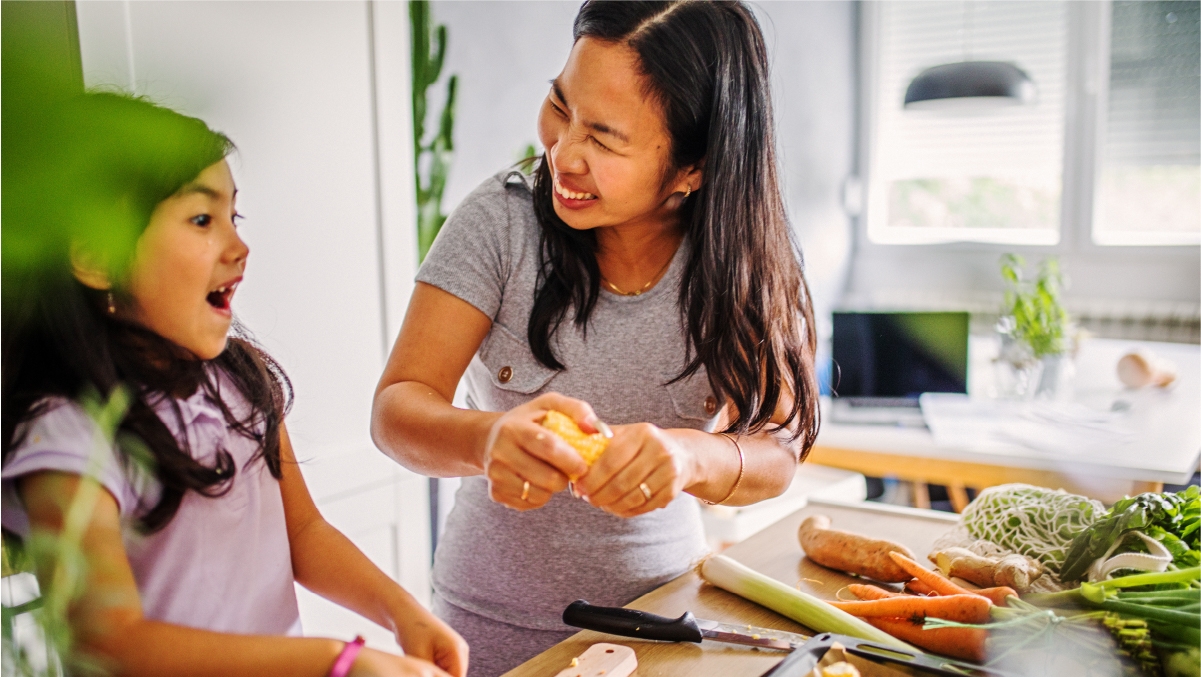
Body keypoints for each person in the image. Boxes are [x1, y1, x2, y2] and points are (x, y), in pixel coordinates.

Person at [371, 2, 820, 675]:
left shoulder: (743, 253)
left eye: (605, 139)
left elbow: (778, 448)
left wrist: (689, 456)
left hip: (663, 618)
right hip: (487, 624)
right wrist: (486, 440)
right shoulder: (501, 219)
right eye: (560, 105)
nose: (563, 153)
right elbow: (396, 408)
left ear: (694, 167)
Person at [1, 93, 468, 677]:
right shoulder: (66, 434)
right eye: (202, 220)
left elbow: (304, 532)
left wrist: (404, 614)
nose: (239, 247)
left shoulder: (242, 379)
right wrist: (336, 662)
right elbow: (106, 642)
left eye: (234, 217)